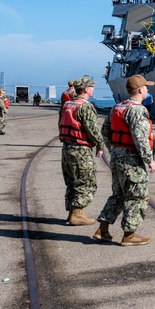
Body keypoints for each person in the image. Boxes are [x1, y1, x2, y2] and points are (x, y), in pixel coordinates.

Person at [94, 75, 155, 247]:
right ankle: (129, 235)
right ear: (139, 90)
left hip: (117, 158)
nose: (148, 90)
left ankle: (103, 229)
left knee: (119, 195)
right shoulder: (138, 110)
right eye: (146, 87)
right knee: (137, 196)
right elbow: (140, 138)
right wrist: (149, 160)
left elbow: (105, 131)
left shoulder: (117, 107)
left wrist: (114, 149)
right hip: (131, 161)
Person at [58, 75, 105, 226]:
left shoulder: (67, 104)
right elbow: (92, 129)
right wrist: (100, 144)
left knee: (72, 181)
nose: (93, 88)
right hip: (80, 149)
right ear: (86, 89)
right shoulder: (85, 106)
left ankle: (74, 212)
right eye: (91, 86)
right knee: (86, 182)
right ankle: (76, 215)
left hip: (67, 147)